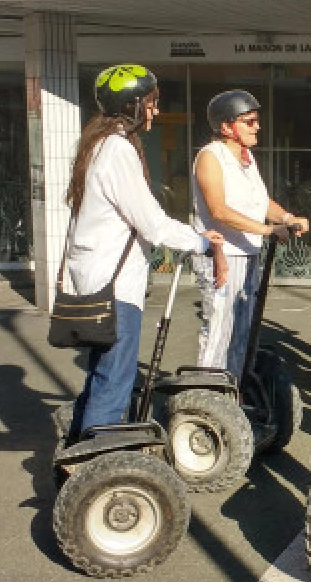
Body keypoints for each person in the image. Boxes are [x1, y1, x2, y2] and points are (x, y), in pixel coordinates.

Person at [64, 64, 227, 443]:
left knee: (98, 377)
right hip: (114, 288)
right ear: (133, 105)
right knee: (114, 382)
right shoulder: (118, 150)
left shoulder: (96, 145)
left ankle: (76, 460)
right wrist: (203, 240)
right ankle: (101, 468)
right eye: (151, 103)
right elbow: (152, 222)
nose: (155, 110)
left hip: (94, 281)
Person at [192, 90, 309, 379]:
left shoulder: (246, 158)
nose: (257, 126)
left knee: (243, 332)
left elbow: (262, 202)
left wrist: (286, 217)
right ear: (226, 126)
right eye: (249, 121)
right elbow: (219, 209)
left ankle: (235, 392)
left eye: (257, 120)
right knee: (219, 330)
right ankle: (207, 397)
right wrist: (269, 230)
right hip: (221, 256)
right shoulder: (210, 157)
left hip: (248, 253)